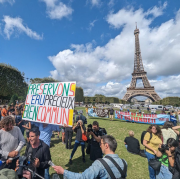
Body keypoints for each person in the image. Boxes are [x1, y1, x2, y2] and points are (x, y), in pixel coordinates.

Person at [52, 135, 127, 179]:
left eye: (101, 143)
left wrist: (64, 172)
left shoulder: (100, 164)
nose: (100, 145)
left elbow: (83, 177)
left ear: (106, 145)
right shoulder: (124, 163)